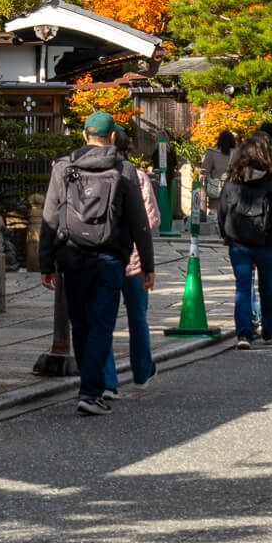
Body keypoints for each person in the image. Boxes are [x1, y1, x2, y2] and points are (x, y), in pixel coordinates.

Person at [40, 110, 155, 416]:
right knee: (102, 325)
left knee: (80, 324)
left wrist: (45, 262)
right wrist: (147, 264)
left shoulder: (63, 167)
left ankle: (88, 387)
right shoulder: (123, 169)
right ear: (112, 136)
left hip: (71, 255)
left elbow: (50, 217)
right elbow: (138, 220)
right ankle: (91, 391)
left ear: (83, 135)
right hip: (109, 257)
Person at [217, 131, 272, 348]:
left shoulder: (233, 179)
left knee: (242, 288)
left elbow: (222, 209)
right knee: (266, 287)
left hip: (239, 243)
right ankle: (269, 330)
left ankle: (244, 334)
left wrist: (226, 235)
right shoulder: (271, 180)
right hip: (267, 242)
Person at [102, 129, 160, 399]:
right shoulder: (138, 176)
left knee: (103, 322)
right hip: (135, 260)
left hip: (106, 256)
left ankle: (107, 380)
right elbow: (151, 220)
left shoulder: (95, 174)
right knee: (138, 318)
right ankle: (141, 371)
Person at [201, 130, 235, 230]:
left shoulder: (211, 152)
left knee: (215, 212)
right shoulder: (237, 153)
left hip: (216, 188)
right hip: (233, 188)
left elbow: (204, 170)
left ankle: (217, 230)